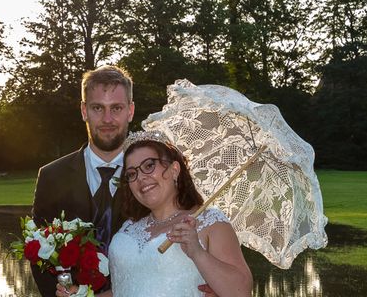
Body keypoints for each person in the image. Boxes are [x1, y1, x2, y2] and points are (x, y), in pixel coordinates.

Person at [57, 131, 253, 297]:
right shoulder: (129, 227)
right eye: (132, 173)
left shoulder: (210, 222)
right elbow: (123, 290)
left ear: (174, 169)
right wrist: (81, 295)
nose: (141, 177)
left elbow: (242, 291)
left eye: (149, 165)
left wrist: (197, 252)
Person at [31, 65, 134, 296]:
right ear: (84, 110)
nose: (108, 119)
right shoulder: (51, 177)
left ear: (130, 110)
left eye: (116, 108)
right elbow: (40, 256)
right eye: (98, 108)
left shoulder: (152, 177)